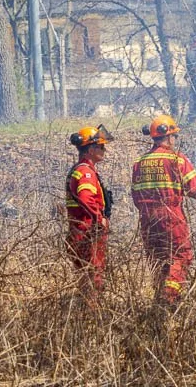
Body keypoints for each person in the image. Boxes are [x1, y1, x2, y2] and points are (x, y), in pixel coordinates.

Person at [131, 113, 196, 306]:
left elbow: (135, 194)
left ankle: (159, 300)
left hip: (146, 219)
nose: (175, 140)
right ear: (168, 136)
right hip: (171, 217)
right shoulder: (176, 159)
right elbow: (195, 189)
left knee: (158, 260)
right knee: (180, 257)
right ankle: (168, 301)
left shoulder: (139, 163)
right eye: (174, 136)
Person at [65, 125, 113, 295]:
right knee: (94, 277)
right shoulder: (86, 172)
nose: (104, 150)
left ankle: (84, 315)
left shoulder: (79, 169)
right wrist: (99, 218)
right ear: (91, 149)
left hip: (78, 231)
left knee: (86, 279)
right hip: (87, 232)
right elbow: (86, 198)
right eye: (101, 146)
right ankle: (93, 317)